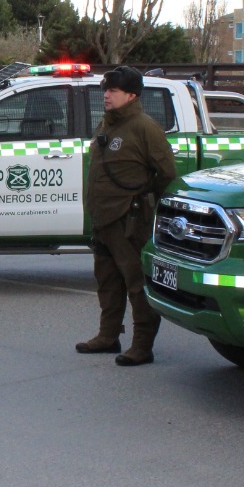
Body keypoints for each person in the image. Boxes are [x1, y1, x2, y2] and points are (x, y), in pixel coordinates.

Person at [75, 66, 177, 365]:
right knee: (107, 280)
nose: (106, 95)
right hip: (103, 216)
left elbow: (167, 172)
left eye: (113, 91)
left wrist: (141, 199)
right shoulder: (107, 125)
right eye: (105, 90)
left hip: (128, 219)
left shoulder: (144, 128)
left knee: (136, 282)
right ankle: (108, 336)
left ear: (131, 95)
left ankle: (142, 345)